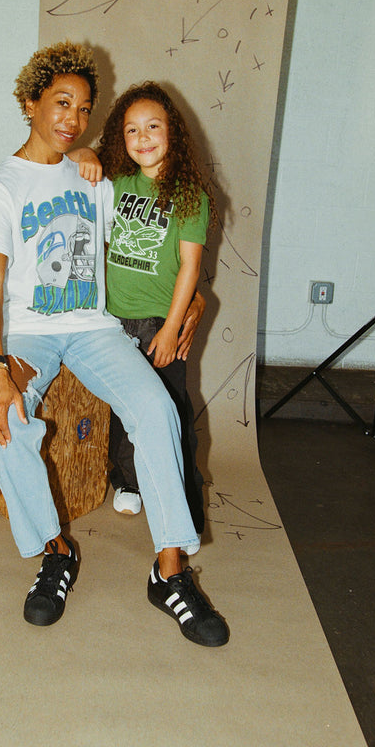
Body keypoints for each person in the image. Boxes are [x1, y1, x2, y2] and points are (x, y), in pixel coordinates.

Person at [0, 41, 228, 647]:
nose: (73, 118)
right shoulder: (2, 187)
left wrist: (194, 300)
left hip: (94, 328)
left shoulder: (95, 174)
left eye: (85, 108)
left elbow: (154, 242)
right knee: (0, 420)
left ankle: (169, 571)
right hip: (29, 334)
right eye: (62, 102)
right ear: (30, 102)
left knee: (158, 410)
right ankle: (56, 551)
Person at [96, 82, 216, 534]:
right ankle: (128, 481)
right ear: (120, 138)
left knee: (171, 412)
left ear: (173, 133)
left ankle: (184, 503)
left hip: (157, 323)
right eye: (132, 130)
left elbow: (190, 267)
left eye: (152, 127)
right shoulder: (116, 184)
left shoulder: (188, 194)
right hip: (113, 321)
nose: (142, 137)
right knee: (124, 407)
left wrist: (170, 328)